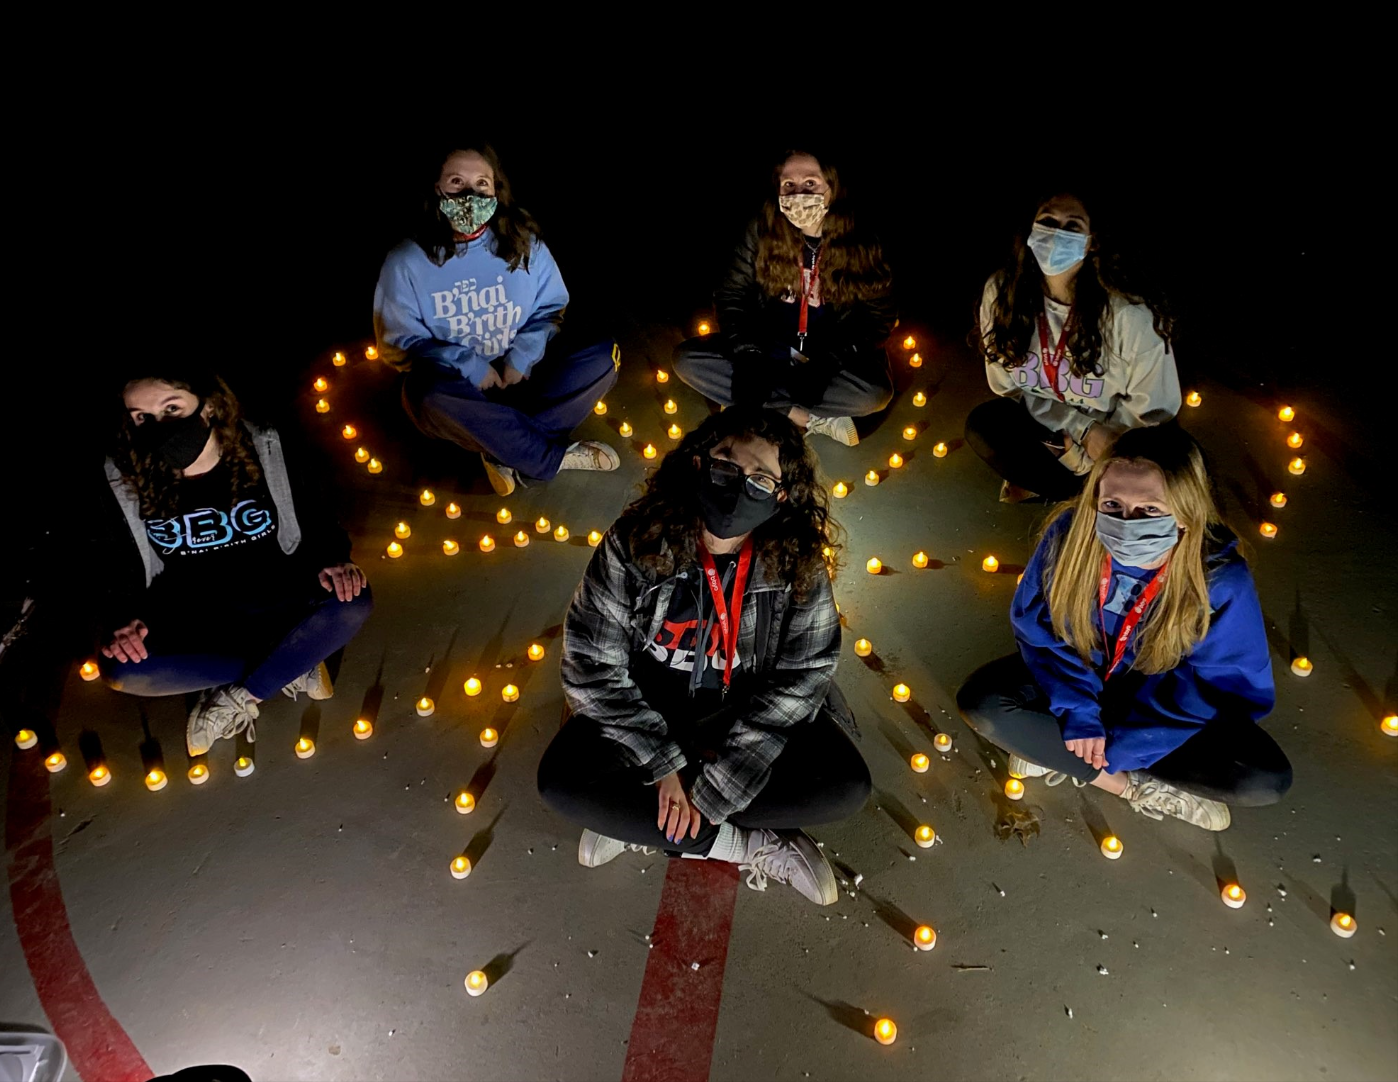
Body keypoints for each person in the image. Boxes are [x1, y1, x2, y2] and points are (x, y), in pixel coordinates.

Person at [538, 407, 870, 905]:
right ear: (697, 463)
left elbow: (805, 675)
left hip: (745, 709)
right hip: (649, 705)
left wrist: (720, 787)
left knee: (845, 785)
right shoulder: (635, 539)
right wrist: (661, 763)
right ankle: (743, 844)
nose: (740, 489)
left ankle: (644, 820)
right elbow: (590, 663)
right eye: (726, 466)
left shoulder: (797, 560)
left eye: (761, 479)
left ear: (782, 496)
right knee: (560, 781)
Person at [956, 425, 1291, 830]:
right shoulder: (1069, 537)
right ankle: (1129, 788)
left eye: (1149, 510)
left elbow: (1221, 689)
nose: (1127, 524)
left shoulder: (1219, 580)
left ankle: (1054, 748)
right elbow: (1038, 630)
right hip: (1081, 676)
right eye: (1112, 505)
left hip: (1158, 702)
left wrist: (1125, 744)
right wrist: (1077, 709)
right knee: (984, 702)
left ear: (1186, 514)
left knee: (1261, 777)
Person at [97, 368, 373, 758]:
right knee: (121, 669)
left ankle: (244, 693)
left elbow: (314, 510)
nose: (159, 425)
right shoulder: (123, 474)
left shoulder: (264, 445)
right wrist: (124, 616)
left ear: (208, 405)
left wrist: (333, 558)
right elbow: (113, 555)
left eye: (172, 407)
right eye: (142, 416)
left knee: (352, 600)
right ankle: (293, 659)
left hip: (277, 598)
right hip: (191, 616)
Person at [374, 142, 620, 497]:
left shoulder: (524, 244)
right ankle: (544, 456)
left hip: (523, 374)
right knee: (423, 394)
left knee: (602, 356)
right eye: (457, 182)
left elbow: (552, 309)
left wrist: (522, 357)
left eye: (482, 184)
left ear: (496, 190)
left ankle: (503, 448)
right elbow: (399, 344)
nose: (470, 195)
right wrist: (469, 366)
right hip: (460, 389)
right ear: (437, 188)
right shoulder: (406, 261)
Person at [965, 191, 1180, 502]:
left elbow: (1150, 413)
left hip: (1114, 441)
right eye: (1048, 222)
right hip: (1052, 430)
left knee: (1172, 461)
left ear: (1092, 241)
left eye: (1072, 227)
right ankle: (1077, 495)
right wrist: (1081, 429)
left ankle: (1089, 493)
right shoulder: (1001, 295)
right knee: (985, 426)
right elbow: (1009, 389)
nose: (1056, 234)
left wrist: (1098, 447)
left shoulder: (1129, 315)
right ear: (1030, 231)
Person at [672, 149, 895, 448]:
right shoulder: (762, 228)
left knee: (874, 394)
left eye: (811, 184)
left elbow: (877, 319)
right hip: (768, 350)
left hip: (826, 357)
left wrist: (829, 362)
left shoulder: (864, 239)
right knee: (687, 361)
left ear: (834, 189)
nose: (798, 194)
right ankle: (805, 416)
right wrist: (749, 355)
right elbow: (732, 294)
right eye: (788, 185)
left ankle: (762, 405)